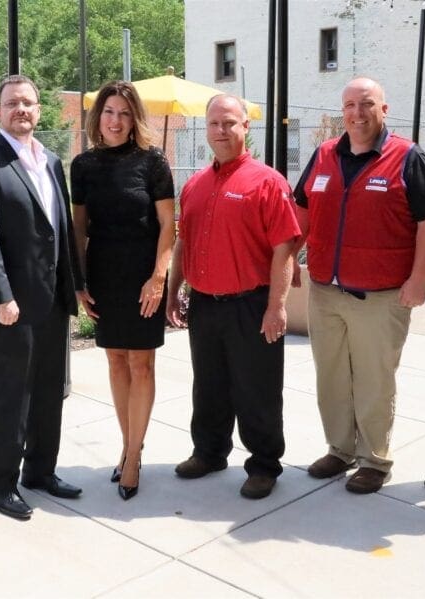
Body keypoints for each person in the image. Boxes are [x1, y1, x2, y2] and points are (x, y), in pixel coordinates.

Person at [293, 77, 425, 494]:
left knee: (374, 380)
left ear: (384, 109)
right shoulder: (323, 155)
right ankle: (340, 450)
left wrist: (419, 279)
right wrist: (290, 258)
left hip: (381, 296)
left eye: (366, 104)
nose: (357, 113)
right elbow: (301, 209)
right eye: (349, 105)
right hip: (325, 292)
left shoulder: (408, 157)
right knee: (331, 376)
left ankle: (374, 459)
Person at [0, 74, 84, 520]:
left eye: (28, 103)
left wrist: (76, 287)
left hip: (52, 301)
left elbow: (61, 229)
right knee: (13, 395)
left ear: (39, 110)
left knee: (50, 390)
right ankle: (2, 483)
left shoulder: (50, 161)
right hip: (11, 306)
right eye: (12, 104)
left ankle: (41, 471)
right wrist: (1, 297)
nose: (22, 110)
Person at [166, 94, 300, 500]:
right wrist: (174, 292)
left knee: (256, 388)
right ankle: (209, 452)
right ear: (205, 129)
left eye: (230, 123)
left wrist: (276, 307)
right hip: (205, 304)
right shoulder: (194, 185)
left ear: (246, 127)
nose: (221, 131)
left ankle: (263, 464)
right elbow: (182, 243)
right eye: (214, 124)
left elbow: (285, 249)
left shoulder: (267, 182)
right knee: (208, 386)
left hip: (251, 304)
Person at [70, 81, 176, 501]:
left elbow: (169, 225)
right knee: (115, 361)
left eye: (124, 113)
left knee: (142, 365)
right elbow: (79, 228)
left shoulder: (153, 162)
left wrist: (159, 277)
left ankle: (133, 458)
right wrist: (79, 281)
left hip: (142, 276)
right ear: (99, 117)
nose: (116, 121)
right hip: (103, 276)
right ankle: (129, 444)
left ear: (135, 119)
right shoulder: (82, 165)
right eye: (109, 112)